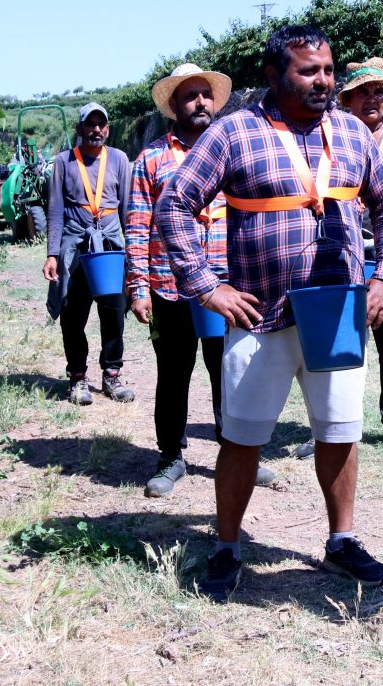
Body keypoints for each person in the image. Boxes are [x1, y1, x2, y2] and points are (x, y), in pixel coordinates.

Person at [155, 25, 383, 601]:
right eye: (309, 71)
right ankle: (227, 549)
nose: (325, 81)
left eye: (328, 69)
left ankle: (341, 541)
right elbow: (174, 206)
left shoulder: (351, 133)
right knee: (242, 439)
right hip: (258, 314)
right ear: (274, 76)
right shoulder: (233, 134)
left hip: (338, 313)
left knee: (340, 432)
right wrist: (205, 287)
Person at [126, 64, 276, 497]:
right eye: (189, 96)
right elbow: (137, 228)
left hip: (225, 285)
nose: (200, 103)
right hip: (168, 287)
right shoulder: (150, 159)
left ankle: (240, 454)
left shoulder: (232, 151)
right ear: (174, 106)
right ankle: (171, 457)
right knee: (173, 374)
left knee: (230, 372)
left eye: (205, 95)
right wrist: (138, 288)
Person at [297, 58, 383, 459]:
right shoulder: (332, 138)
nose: (372, 98)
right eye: (362, 93)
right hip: (342, 261)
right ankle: (327, 428)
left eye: (380, 91)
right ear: (348, 101)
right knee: (336, 353)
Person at [43, 102, 136, 406]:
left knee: (113, 312)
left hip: (109, 247)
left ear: (107, 128)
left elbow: (127, 211)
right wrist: (52, 254)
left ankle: (112, 374)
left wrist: (133, 254)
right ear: (80, 128)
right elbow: (55, 210)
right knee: (72, 315)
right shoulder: (64, 162)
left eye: (102, 124)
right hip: (75, 247)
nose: (97, 130)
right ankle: (78, 379)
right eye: (90, 124)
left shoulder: (120, 159)